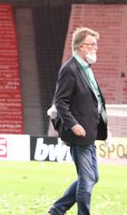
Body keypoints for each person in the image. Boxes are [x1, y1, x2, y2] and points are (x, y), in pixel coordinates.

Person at [47, 27, 108, 215]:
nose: (96, 48)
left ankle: (57, 210)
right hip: (78, 133)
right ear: (81, 47)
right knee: (86, 179)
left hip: (90, 132)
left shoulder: (86, 69)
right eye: (93, 45)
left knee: (92, 177)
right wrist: (73, 124)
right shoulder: (70, 69)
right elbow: (61, 102)